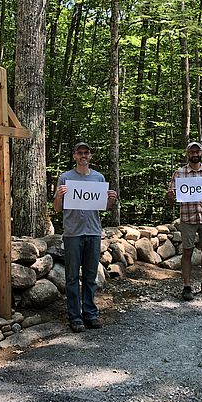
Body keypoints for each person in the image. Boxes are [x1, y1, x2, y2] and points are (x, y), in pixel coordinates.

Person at [54, 142, 117, 333]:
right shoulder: (65, 178)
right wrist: (58, 196)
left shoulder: (98, 178)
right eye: (80, 152)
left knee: (90, 276)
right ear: (74, 156)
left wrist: (111, 200)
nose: (83, 155)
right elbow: (57, 209)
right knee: (72, 277)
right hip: (73, 233)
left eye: (86, 153)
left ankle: (90, 314)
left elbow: (104, 207)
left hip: (93, 232)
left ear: (90, 156)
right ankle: (75, 317)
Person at [168, 141, 202, 301]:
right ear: (187, 154)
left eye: (197, 152)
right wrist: (170, 196)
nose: (195, 154)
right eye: (192, 152)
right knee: (187, 251)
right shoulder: (179, 173)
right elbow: (171, 199)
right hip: (187, 218)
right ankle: (187, 286)